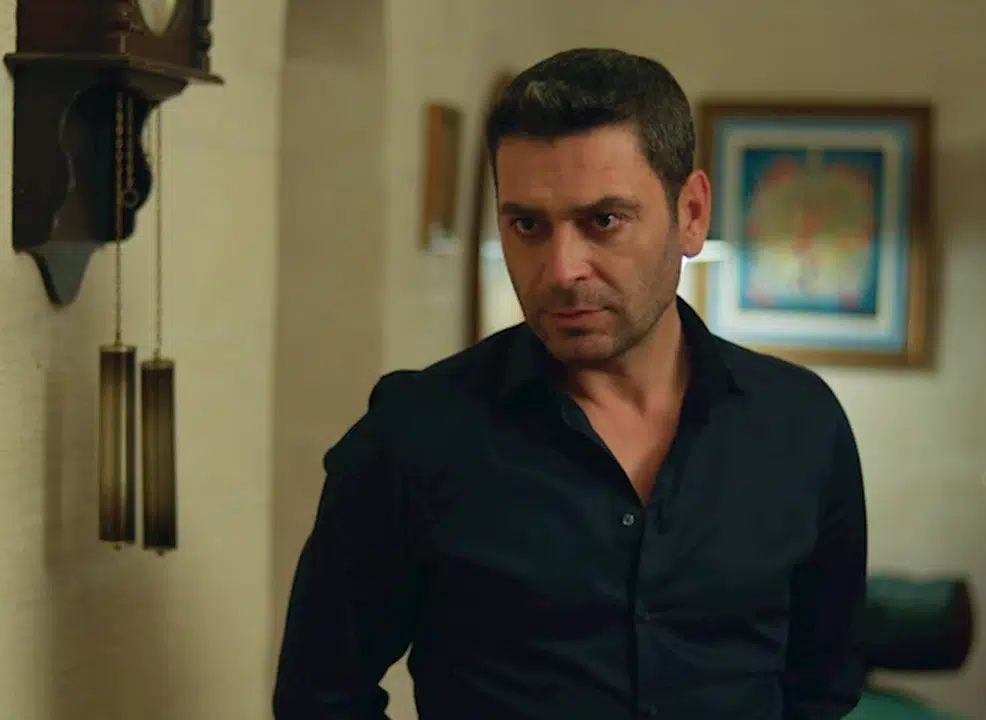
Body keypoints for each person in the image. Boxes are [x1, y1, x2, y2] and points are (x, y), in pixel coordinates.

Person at [273, 48, 867, 719]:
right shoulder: (414, 436)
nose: (561, 269)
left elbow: (821, 690)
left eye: (603, 221)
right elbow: (320, 698)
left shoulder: (800, 425)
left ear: (692, 213)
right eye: (527, 225)